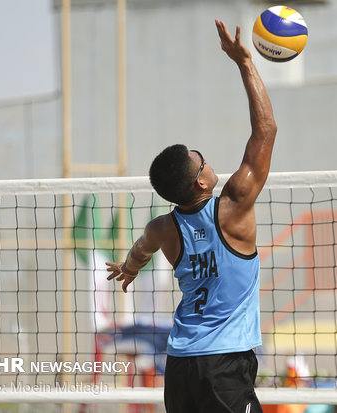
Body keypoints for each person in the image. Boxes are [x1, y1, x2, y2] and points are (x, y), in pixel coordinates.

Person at [105, 19, 277, 413]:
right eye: (202, 163)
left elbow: (142, 248)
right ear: (201, 184)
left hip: (181, 362)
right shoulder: (233, 205)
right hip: (225, 362)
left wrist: (130, 267)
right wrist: (245, 63)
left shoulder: (162, 228)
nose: (207, 160)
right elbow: (265, 131)